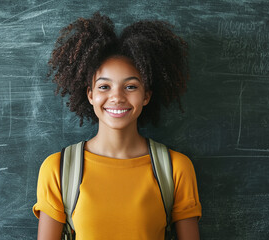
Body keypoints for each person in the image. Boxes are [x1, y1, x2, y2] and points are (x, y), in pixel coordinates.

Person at [33, 12, 202, 240]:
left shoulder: (176, 169)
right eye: (104, 87)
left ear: (147, 96)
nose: (117, 97)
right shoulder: (58, 169)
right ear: (90, 95)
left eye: (130, 86)